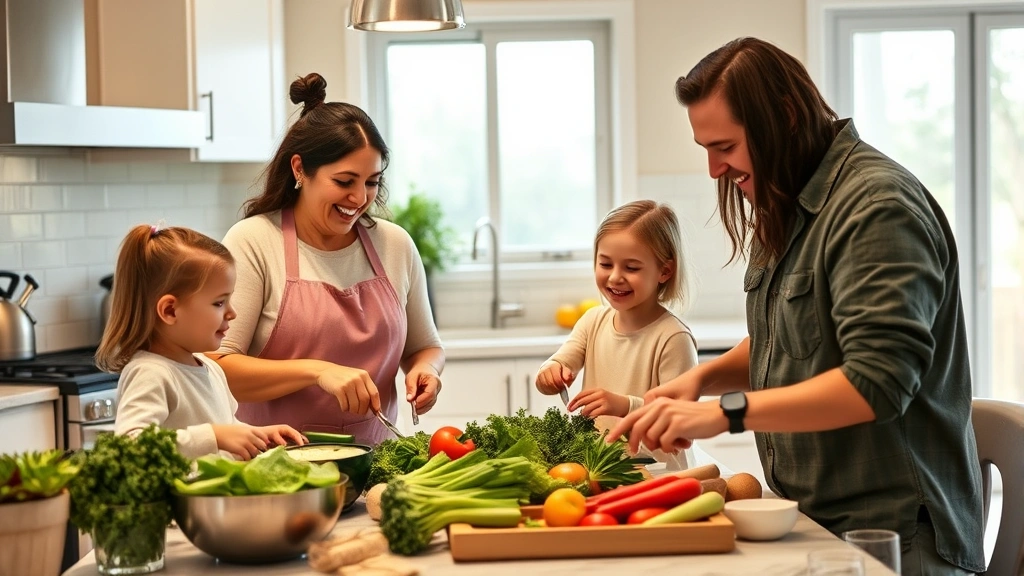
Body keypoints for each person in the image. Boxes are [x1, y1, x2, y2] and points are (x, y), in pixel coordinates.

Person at [608, 38, 984, 575]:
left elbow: (876, 381)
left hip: (893, 538)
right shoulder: (785, 197)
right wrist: (703, 379)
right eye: (707, 150)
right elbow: (786, 335)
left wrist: (725, 412)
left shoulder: (877, 208)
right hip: (816, 520)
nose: (715, 169)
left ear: (783, 117)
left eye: (726, 147)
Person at [210, 73, 444, 445]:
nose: (359, 198)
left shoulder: (394, 244)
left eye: (371, 182)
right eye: (345, 181)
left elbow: (425, 346)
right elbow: (217, 366)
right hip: (274, 464)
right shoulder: (254, 241)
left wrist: (426, 370)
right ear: (300, 169)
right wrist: (318, 372)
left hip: (375, 461)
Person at [96, 225, 306, 460]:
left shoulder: (210, 367)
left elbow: (226, 427)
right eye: (219, 303)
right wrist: (213, 436)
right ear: (170, 310)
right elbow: (131, 447)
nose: (232, 313)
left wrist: (255, 435)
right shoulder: (150, 373)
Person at [536, 200, 698, 470]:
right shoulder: (593, 321)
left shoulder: (673, 338)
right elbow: (558, 365)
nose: (614, 278)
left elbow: (679, 423)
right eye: (605, 264)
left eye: (631, 268)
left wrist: (624, 405)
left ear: (665, 271)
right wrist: (551, 372)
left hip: (657, 473)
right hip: (600, 467)